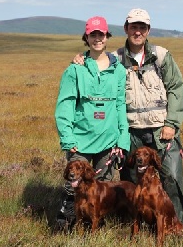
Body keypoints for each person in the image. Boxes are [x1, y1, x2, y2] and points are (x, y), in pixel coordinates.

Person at [72, 8, 183, 225]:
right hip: (130, 131)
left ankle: (177, 224)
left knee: (171, 177)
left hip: (160, 129)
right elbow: (95, 59)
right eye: (134, 27)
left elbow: (176, 89)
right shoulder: (115, 58)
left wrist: (172, 123)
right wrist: (80, 58)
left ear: (148, 30)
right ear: (126, 28)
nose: (138, 32)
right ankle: (132, 224)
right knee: (130, 182)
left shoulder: (161, 55)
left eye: (142, 27)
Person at [54, 16, 130, 228]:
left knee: (100, 190)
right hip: (80, 141)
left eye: (101, 34)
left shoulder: (119, 71)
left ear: (107, 37)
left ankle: (94, 229)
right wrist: (68, 138)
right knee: (74, 188)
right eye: (93, 35)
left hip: (108, 141)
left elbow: (120, 106)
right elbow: (65, 106)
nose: (97, 38)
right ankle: (67, 226)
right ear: (86, 38)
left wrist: (122, 140)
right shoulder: (74, 70)